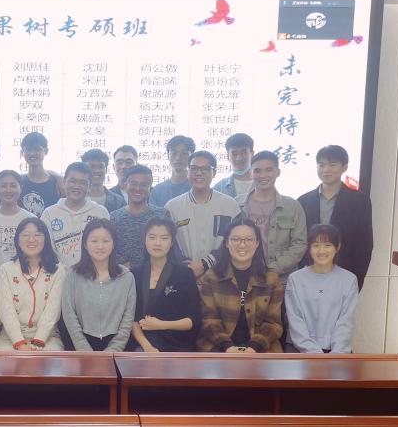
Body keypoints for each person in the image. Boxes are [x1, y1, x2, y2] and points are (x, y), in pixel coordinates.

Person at [196, 218, 284, 353]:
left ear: (257, 243)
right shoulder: (211, 277)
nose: (242, 245)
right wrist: (227, 346)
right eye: (236, 239)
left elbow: (273, 324)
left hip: (261, 348)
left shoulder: (271, 279)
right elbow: (209, 320)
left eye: (249, 239)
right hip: (219, 347)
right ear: (227, 243)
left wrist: (254, 347)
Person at [297, 145, 373, 290]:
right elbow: (299, 241)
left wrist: (356, 281)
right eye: (321, 165)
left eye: (332, 164)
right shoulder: (303, 201)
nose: (326, 169)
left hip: (344, 274)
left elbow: (364, 245)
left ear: (344, 167)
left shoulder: (359, 201)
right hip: (308, 274)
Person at [61, 219, 136, 352]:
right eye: (94, 241)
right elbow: (69, 315)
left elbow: (128, 318)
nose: (100, 246)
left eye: (106, 241)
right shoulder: (72, 275)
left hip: (118, 346)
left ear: (113, 244)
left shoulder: (126, 277)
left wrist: (113, 350)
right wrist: (84, 350)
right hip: (80, 345)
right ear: (85, 244)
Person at [164, 151, 240, 278]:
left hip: (221, 276)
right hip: (185, 275)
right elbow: (170, 243)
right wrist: (189, 267)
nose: (199, 173)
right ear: (188, 171)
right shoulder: (172, 207)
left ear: (214, 172)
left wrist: (204, 264)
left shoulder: (230, 206)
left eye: (205, 169)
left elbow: (235, 240)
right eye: (194, 168)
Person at [0, 217, 67, 351]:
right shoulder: (6, 269)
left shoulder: (58, 270)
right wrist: (19, 342)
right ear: (17, 240)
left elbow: (53, 310)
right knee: (6, 362)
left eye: (37, 235)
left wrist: (38, 341)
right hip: (11, 337)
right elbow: (6, 310)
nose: (31, 239)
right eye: (25, 235)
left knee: (48, 362)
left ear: (46, 239)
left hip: (47, 336)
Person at [130, 218, 200, 352]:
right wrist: (148, 348)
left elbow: (192, 320)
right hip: (142, 346)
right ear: (145, 240)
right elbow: (132, 319)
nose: (157, 243)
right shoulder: (135, 274)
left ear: (172, 242)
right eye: (152, 237)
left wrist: (161, 325)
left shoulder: (184, 274)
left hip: (177, 345)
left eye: (164, 238)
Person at [286, 224, 359, 354]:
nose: (321, 251)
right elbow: (295, 320)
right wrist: (315, 354)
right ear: (309, 248)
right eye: (316, 245)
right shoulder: (295, 279)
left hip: (337, 350)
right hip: (299, 349)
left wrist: (336, 354)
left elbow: (346, 321)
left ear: (337, 247)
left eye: (327, 245)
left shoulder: (349, 279)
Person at [236, 151, 307, 278]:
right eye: (257, 171)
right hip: (244, 277)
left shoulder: (292, 206)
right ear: (251, 173)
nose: (263, 175)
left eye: (269, 170)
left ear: (278, 172)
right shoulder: (237, 204)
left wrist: (274, 269)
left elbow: (299, 244)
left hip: (282, 280)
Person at [40, 162, 110, 267]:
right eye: (72, 181)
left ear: (89, 186)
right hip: (58, 274)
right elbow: (46, 249)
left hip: (92, 274)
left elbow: (105, 247)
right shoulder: (49, 213)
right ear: (64, 182)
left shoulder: (100, 212)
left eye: (82, 183)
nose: (77, 186)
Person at [110, 165, 171, 270]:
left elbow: (169, 250)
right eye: (133, 183)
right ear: (125, 185)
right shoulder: (114, 217)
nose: (138, 188)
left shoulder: (162, 215)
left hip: (155, 276)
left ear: (150, 188)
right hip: (121, 275)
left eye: (143, 185)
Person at [0, 170, 35, 269]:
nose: (8, 190)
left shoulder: (31, 219)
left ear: (21, 188)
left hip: (26, 276)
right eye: (3, 186)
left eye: (13, 186)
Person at [18, 132, 65, 217]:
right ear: (22, 152)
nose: (32, 153)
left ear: (46, 151)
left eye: (37, 149)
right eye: (28, 149)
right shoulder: (18, 182)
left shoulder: (57, 182)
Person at [149, 135, 195, 208]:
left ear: (192, 157)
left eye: (184, 153)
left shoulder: (197, 188)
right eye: (174, 153)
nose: (178, 158)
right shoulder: (157, 191)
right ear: (168, 156)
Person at [81, 148, 127, 212]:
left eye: (100, 166)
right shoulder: (74, 197)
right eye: (91, 166)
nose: (96, 170)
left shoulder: (118, 201)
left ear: (106, 169)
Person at [213, 133, 255, 198]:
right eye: (234, 154)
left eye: (243, 153)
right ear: (228, 157)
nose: (239, 158)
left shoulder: (264, 184)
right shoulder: (218, 188)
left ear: (252, 154)